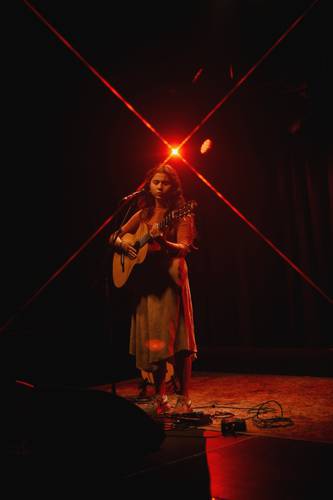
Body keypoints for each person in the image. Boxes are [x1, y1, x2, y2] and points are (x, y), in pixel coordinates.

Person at [108, 163, 197, 414]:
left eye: (165, 182)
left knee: (177, 337)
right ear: (148, 184)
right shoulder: (143, 212)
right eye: (155, 182)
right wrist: (125, 247)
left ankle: (183, 396)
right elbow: (113, 236)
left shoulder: (182, 212)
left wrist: (162, 241)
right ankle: (160, 396)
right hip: (147, 281)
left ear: (174, 186)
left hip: (170, 277)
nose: (159, 187)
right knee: (152, 337)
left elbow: (184, 248)